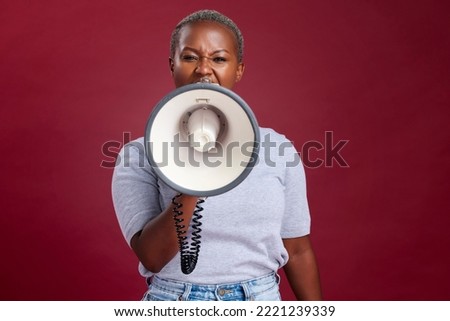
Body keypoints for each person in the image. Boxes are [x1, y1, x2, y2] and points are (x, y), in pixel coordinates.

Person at [112, 9, 322, 301]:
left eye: (219, 59)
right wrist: (197, 175)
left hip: (259, 298)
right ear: (172, 65)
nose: (203, 69)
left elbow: (298, 250)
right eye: (189, 57)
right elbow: (152, 256)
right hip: (175, 300)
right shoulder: (138, 155)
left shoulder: (279, 149)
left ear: (238, 69)